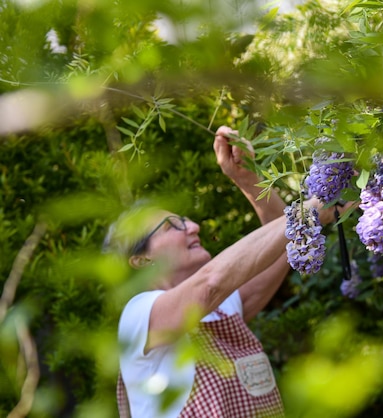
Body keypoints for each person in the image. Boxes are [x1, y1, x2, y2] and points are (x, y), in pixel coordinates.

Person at [103, 126, 337, 418]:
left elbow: (279, 247)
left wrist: (248, 178)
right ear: (140, 260)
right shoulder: (138, 316)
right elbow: (211, 282)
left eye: (187, 220)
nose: (193, 227)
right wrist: (309, 211)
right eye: (173, 226)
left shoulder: (224, 308)